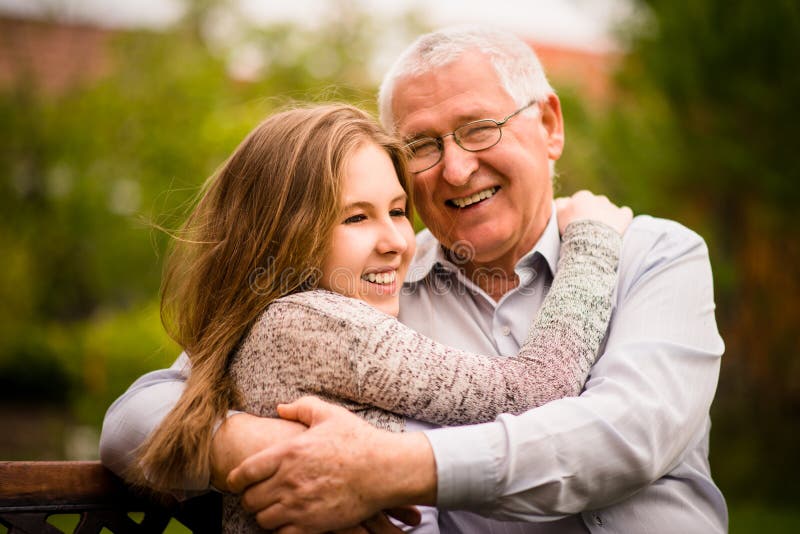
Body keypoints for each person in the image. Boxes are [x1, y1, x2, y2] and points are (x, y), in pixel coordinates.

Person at [102, 26, 726, 533]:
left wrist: (387, 469)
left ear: (550, 126)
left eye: (479, 128)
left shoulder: (655, 254)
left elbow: (627, 434)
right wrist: (252, 448)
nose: (456, 168)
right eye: (422, 145)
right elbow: (134, 419)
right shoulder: (371, 286)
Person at [120, 101, 627, 533]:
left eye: (400, 211)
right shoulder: (318, 325)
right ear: (282, 232)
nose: (395, 243)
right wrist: (593, 242)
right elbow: (533, 390)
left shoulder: (270, 319)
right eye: (356, 217)